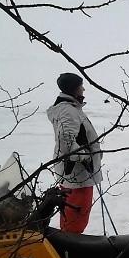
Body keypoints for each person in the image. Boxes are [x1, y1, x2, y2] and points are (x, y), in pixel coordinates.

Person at [46, 72, 102, 234]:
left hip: (76, 173)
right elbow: (66, 141)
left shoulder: (70, 108)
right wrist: (84, 157)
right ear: (73, 89)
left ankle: (68, 244)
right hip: (78, 173)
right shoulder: (68, 111)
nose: (83, 89)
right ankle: (70, 250)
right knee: (77, 216)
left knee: (73, 214)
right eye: (80, 86)